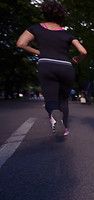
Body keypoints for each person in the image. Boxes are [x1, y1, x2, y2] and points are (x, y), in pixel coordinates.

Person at [17, 0, 87, 136]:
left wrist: (39, 52)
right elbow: (83, 51)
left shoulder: (35, 28)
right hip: (66, 67)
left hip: (46, 65)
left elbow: (21, 43)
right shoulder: (67, 34)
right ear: (61, 16)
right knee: (63, 100)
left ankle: (54, 113)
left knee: (51, 100)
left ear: (45, 13)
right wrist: (78, 59)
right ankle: (64, 128)